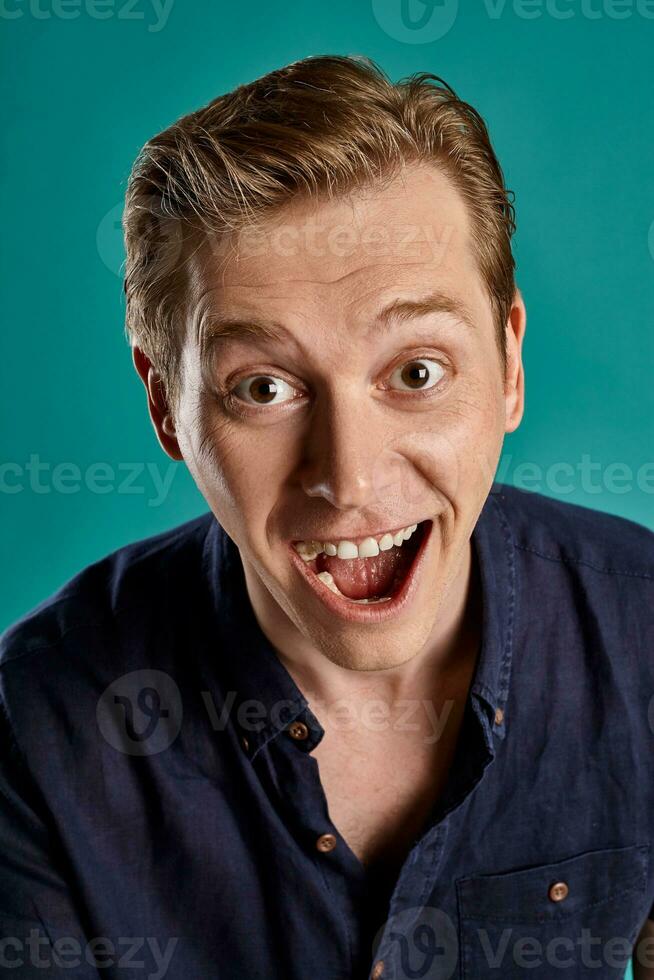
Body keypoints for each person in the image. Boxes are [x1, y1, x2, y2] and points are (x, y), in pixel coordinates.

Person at [1, 54, 653, 980]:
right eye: (262, 388)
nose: (348, 477)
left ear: (509, 366)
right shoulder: (40, 721)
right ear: (165, 408)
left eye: (416, 372)